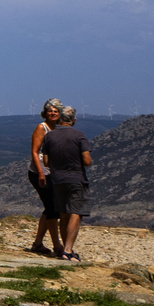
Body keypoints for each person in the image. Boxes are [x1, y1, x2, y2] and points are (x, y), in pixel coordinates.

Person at [42, 105, 92, 261]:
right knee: (76, 213)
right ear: (74, 121)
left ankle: (64, 248)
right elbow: (87, 161)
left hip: (57, 180)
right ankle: (68, 250)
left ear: (60, 119)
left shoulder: (49, 136)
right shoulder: (80, 136)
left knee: (63, 214)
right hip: (76, 179)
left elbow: (46, 161)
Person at [27, 98, 63, 257]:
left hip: (52, 172)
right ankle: (57, 245)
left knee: (50, 208)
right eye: (50, 110)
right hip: (39, 173)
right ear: (45, 113)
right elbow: (35, 151)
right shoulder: (42, 128)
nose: (53, 113)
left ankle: (38, 243)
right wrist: (41, 172)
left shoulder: (58, 129)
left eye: (56, 111)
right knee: (53, 209)